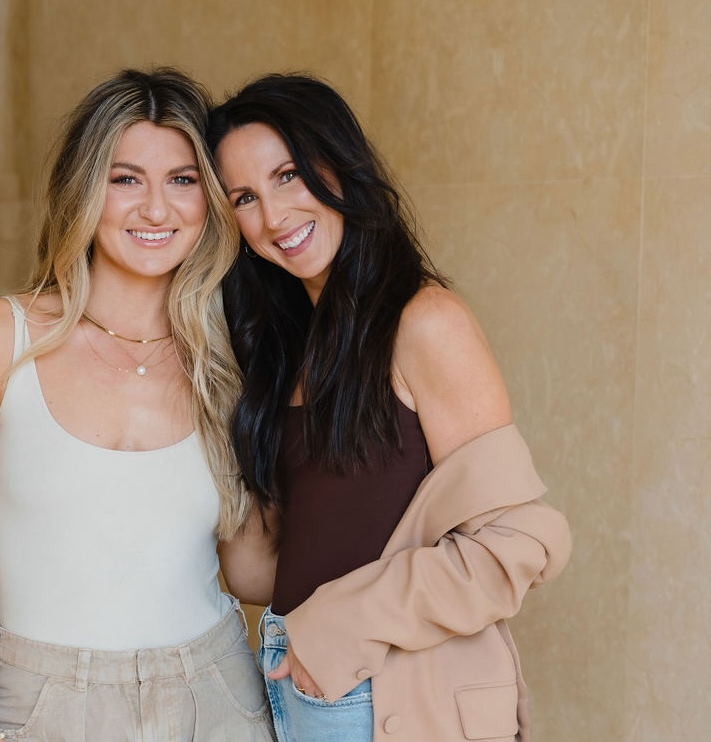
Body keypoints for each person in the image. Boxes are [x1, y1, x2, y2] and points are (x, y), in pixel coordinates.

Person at [0, 67, 277, 742]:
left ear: (210, 201)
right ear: (84, 190)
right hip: (46, 703)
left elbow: (251, 570)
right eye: (125, 178)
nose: (156, 209)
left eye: (182, 179)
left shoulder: (228, 360)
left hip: (216, 694)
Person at [207, 74, 572, 742]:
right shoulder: (288, 347)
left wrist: (340, 628)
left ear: (339, 165)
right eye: (244, 198)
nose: (273, 215)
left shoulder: (423, 321)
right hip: (296, 688)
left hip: (391, 693)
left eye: (287, 175)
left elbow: (522, 543)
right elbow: (258, 573)